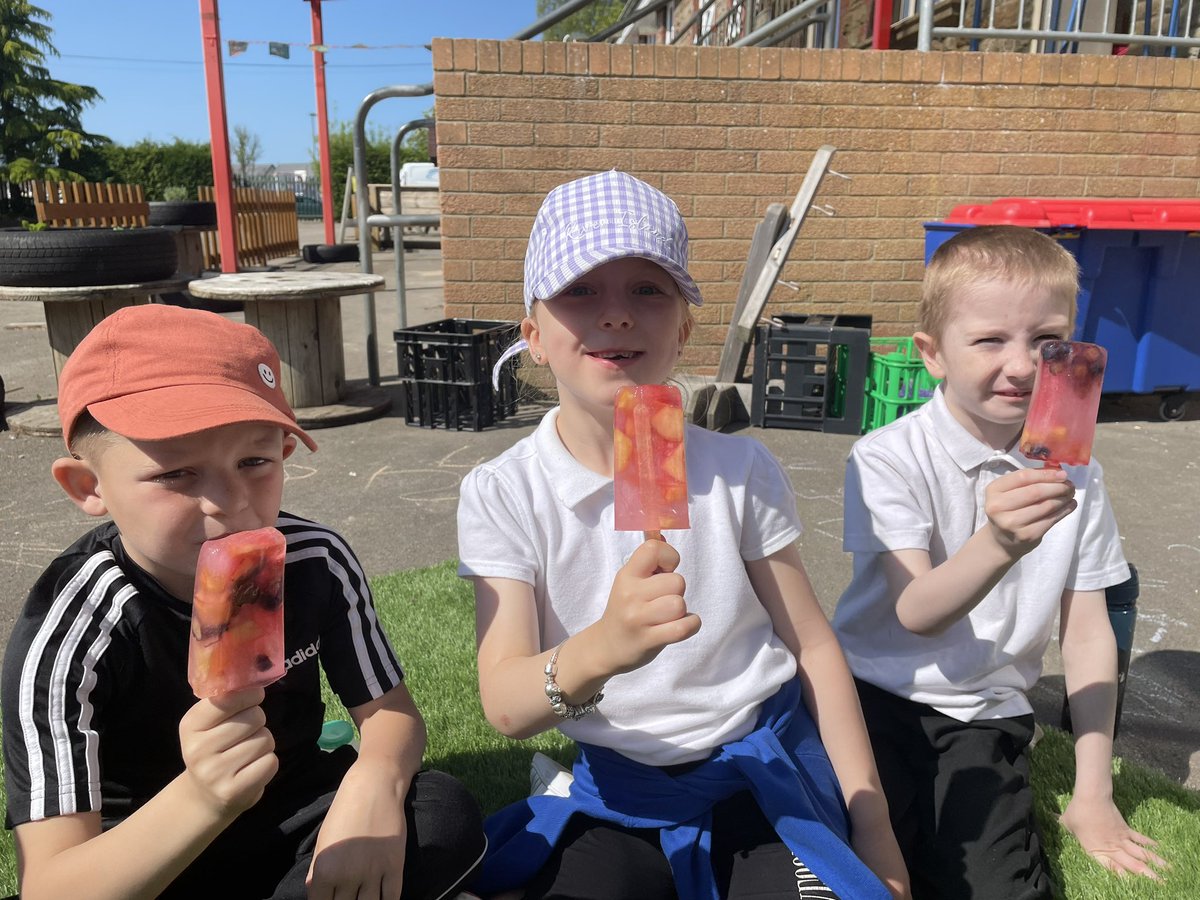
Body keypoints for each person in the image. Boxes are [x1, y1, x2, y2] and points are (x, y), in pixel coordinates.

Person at [457, 170, 909, 900]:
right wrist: (603, 647)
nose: (618, 315)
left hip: (756, 775)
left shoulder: (738, 470)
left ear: (684, 327)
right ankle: (568, 793)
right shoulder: (504, 492)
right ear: (534, 337)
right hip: (622, 782)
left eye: (648, 289)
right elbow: (507, 705)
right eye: (580, 290)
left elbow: (814, 646)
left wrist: (874, 825)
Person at [2, 305, 485, 900]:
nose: (230, 504)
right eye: (177, 474)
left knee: (444, 814)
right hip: (150, 854)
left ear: (283, 453)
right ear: (89, 487)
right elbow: (51, 886)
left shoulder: (317, 561)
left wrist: (375, 782)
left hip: (296, 815)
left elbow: (392, 716)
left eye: (253, 461)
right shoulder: (72, 631)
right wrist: (203, 796)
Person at [830, 225, 1168, 899]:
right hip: (867, 694)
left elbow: (1088, 631)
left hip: (983, 712)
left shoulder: (1080, 477)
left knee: (994, 887)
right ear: (933, 354)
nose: (1022, 365)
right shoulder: (888, 458)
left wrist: (1092, 788)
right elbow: (914, 611)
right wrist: (998, 545)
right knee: (842, 860)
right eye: (990, 340)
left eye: (1048, 342)